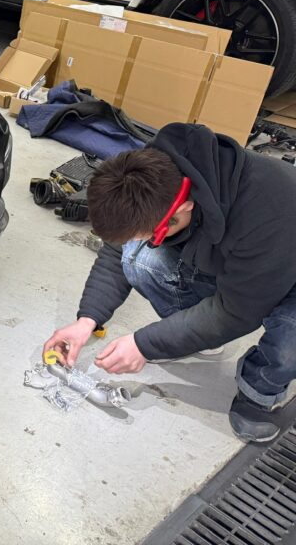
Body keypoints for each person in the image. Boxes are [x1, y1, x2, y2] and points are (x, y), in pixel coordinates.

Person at [43, 122, 296, 441]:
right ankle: (196, 334)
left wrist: (144, 344)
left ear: (184, 207)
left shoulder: (270, 209)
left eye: (151, 233)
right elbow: (117, 250)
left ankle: (259, 391)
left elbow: (238, 313)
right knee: (137, 256)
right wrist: (87, 320)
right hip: (242, 260)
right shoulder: (153, 175)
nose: (144, 239)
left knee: (289, 344)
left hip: (286, 252)